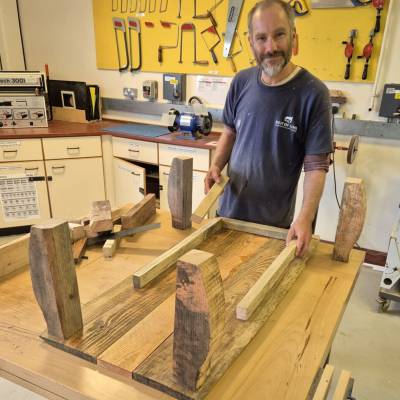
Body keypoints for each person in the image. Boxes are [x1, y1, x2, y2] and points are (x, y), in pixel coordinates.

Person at [204, 0, 333, 257]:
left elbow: (316, 166)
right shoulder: (241, 82)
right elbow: (229, 131)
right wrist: (216, 165)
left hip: (272, 227)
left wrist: (305, 218)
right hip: (227, 215)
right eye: (261, 38)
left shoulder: (314, 94)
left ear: (293, 38)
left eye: (279, 35)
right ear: (251, 42)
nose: (271, 47)